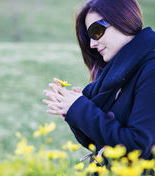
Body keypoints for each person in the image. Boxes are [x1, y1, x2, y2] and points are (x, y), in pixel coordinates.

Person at [43, 0, 155, 160]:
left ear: (122, 19)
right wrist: (73, 109)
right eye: (88, 37)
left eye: (96, 31)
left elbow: (139, 147)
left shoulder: (151, 70)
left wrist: (80, 109)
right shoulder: (117, 75)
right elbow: (99, 142)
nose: (92, 44)